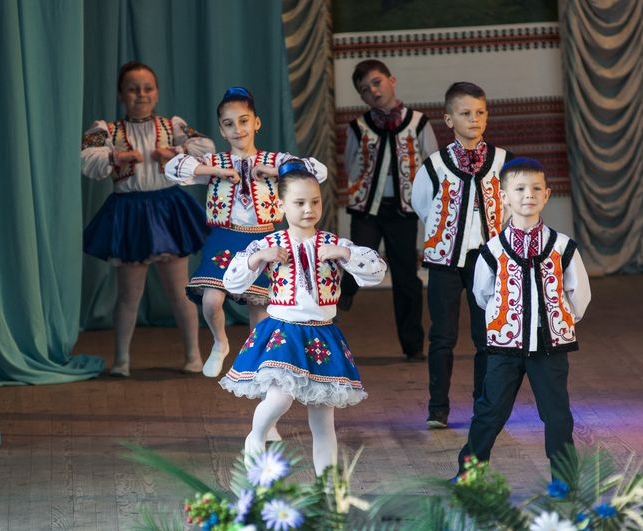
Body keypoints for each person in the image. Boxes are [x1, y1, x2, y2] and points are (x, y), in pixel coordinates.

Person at [219, 160, 387, 476]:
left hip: (322, 335)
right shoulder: (269, 244)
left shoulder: (334, 244)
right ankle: (256, 437)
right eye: (299, 203)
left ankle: (327, 486)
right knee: (279, 398)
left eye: (315, 201)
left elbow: (376, 271)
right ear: (281, 205)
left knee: (323, 420)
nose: (308, 209)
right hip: (283, 333)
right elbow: (232, 281)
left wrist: (345, 255)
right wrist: (258, 258)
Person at [164, 87, 327, 379]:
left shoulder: (277, 161)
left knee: (259, 308)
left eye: (243, 121)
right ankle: (220, 343)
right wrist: (216, 173)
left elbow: (317, 171)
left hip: (263, 239)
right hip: (224, 238)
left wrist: (276, 173)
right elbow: (173, 168)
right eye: (229, 124)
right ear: (221, 130)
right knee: (211, 301)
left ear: (256, 122)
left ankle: (256, 366)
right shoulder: (214, 163)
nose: (237, 129)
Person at [456, 157, 591, 475]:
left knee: (557, 414)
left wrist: (557, 320)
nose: (528, 194)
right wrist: (508, 320)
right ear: (503, 197)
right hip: (505, 347)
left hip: (549, 347)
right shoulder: (492, 250)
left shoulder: (563, 247)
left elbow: (579, 295)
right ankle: (469, 474)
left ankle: (563, 479)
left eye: (536, 188)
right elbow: (482, 294)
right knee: (490, 411)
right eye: (519, 189)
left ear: (546, 195)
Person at [81, 60, 215, 377]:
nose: (141, 95)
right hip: (130, 212)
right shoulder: (108, 130)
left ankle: (194, 355)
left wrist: (176, 152)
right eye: (133, 89)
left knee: (179, 290)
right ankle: (122, 360)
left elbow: (205, 147)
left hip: (167, 208)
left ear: (156, 93)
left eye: (147, 88)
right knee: (129, 294)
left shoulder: (171, 127)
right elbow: (88, 159)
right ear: (121, 94)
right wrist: (117, 156)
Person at [411, 81, 514, 429]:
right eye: (466, 113)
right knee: (442, 336)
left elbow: (510, 207)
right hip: (445, 261)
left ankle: (483, 405)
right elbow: (422, 204)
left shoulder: (502, 161)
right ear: (449, 119)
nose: (474, 119)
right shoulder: (435, 165)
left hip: (487, 261)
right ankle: (437, 408)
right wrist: (448, 232)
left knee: (486, 335)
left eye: (480, 112)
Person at [338, 59, 438, 363]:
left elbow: (432, 162)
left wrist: (426, 201)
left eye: (377, 82)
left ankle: (413, 345)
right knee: (357, 258)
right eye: (365, 89)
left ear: (391, 80)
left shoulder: (418, 122)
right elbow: (350, 163)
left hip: (403, 210)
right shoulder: (358, 127)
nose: (373, 91)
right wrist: (362, 189)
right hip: (367, 209)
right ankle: (346, 289)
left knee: (406, 276)